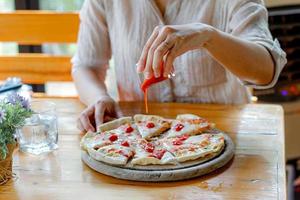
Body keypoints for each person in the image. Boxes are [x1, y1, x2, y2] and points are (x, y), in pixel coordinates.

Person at [72, 0, 287, 132]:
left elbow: (266, 70)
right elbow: (85, 66)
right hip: (139, 141)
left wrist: (208, 36)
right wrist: (100, 97)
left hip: (223, 137)